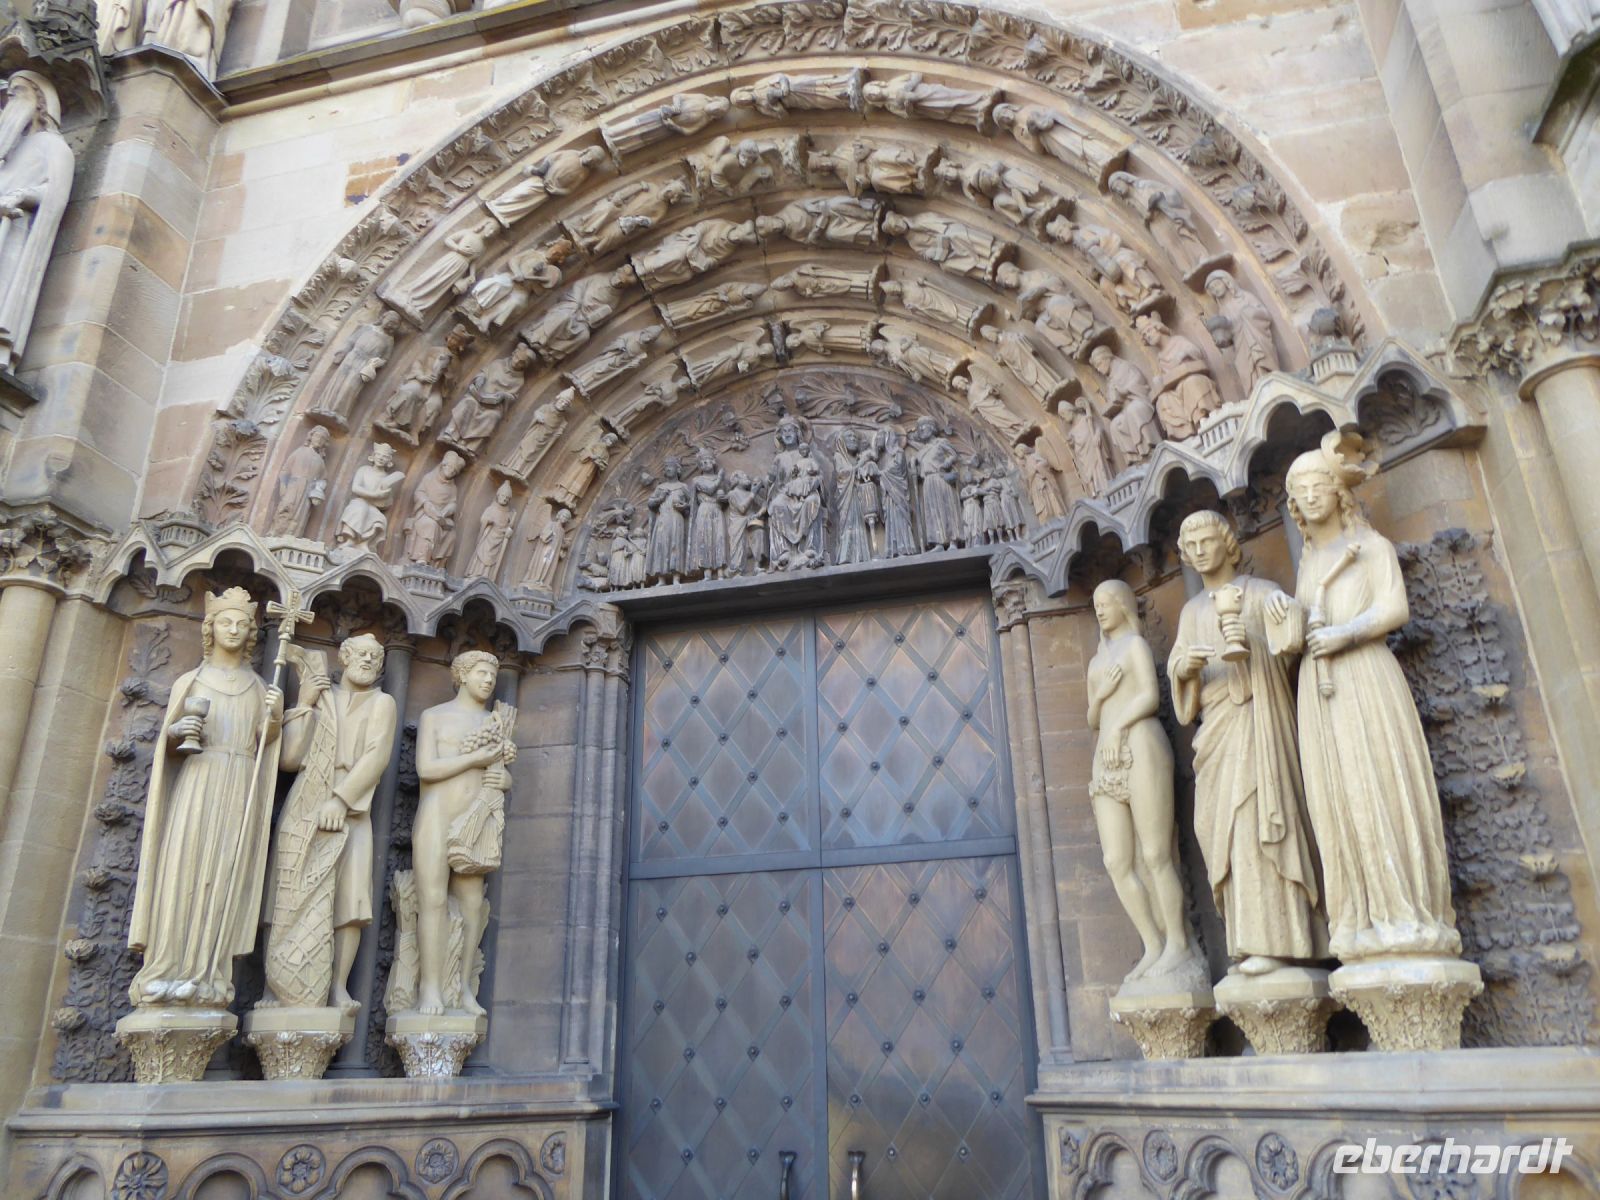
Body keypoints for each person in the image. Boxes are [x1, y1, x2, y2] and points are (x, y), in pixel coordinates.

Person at [1283, 432, 1463, 961]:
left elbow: (1393, 608)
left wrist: (1345, 634)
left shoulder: (1370, 548)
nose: (1309, 496)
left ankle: (1404, 914)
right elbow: (1301, 624)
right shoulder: (1309, 562)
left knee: (1377, 786)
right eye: (1300, 490)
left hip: (1363, 677)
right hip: (1320, 691)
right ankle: (1357, 918)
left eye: (1317, 485)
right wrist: (1282, 623)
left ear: (1338, 492)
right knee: (1336, 799)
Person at [1169, 511, 1321, 975]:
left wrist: (1267, 630)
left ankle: (1284, 942)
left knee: (1260, 823)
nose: (1199, 551)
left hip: (1259, 726)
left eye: (1207, 541)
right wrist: (1185, 670)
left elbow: (1292, 642)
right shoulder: (1192, 612)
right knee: (1225, 834)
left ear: (1228, 543)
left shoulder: (1259, 592)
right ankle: (1248, 942)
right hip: (1217, 734)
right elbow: (1183, 692)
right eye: (1190, 546)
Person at [129, 589, 284, 1008]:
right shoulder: (191, 681)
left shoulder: (260, 687)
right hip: (198, 781)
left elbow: (267, 746)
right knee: (182, 871)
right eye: (224, 622)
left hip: (239, 787)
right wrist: (177, 732)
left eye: (241, 624)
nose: (233, 630)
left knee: (225, 874)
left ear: (251, 633)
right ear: (210, 628)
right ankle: (166, 966)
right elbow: (169, 744)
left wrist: (274, 718)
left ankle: (209, 971)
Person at [265, 635, 396, 1012]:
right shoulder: (323, 697)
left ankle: (336, 986)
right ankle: (275, 985)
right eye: (361, 655)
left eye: (375, 657)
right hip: (307, 797)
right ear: (344, 657)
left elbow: (376, 756)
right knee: (286, 888)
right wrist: (303, 704)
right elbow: (290, 759)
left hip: (351, 807)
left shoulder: (382, 703)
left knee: (349, 898)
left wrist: (341, 799)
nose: (368, 661)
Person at [1086, 580, 1194, 982]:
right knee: (1116, 861)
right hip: (1106, 760)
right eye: (1096, 605)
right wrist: (1102, 695)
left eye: (1107, 603)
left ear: (1124, 605)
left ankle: (1179, 944)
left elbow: (1151, 696)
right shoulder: (1096, 663)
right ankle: (1152, 944)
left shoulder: (1135, 646)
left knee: (1155, 853)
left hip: (1141, 746)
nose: (1100, 610)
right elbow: (1091, 718)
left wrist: (1118, 727)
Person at [411, 651, 515, 1016]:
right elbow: (426, 769)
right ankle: (429, 988)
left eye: (493, 675)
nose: (488, 680)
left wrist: (503, 778)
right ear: (462, 676)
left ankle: (464, 987)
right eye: (482, 673)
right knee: (433, 900)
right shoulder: (435, 716)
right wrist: (475, 759)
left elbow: (500, 777)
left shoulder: (495, 723)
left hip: (476, 821)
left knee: (471, 904)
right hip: (437, 816)